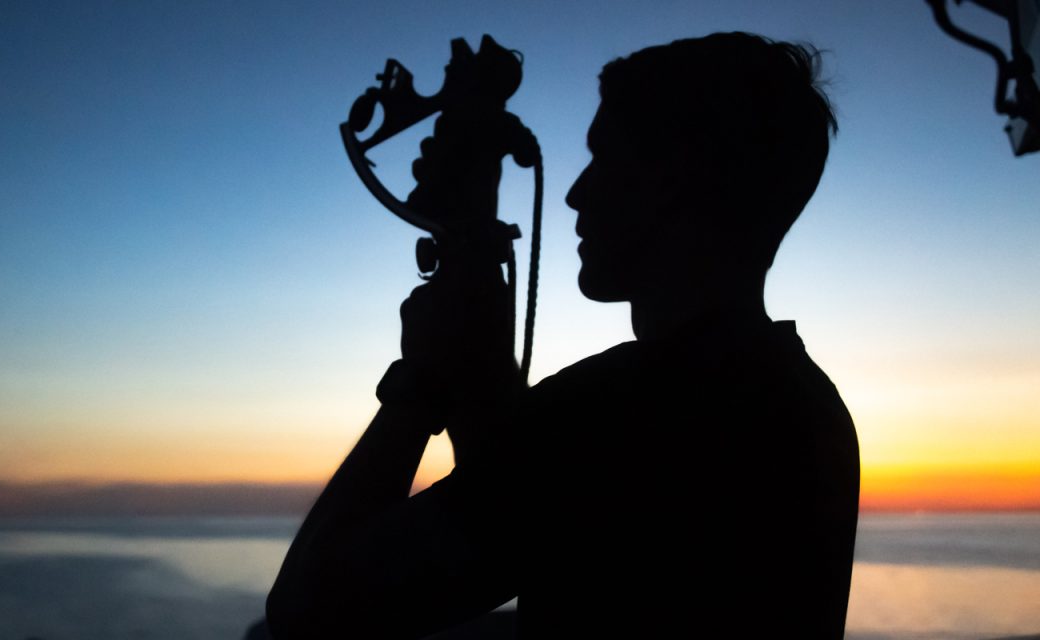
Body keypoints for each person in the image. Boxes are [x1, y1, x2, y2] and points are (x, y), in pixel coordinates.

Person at [266, 31, 859, 639]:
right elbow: (525, 508)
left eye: (607, 158)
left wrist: (417, 389)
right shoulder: (803, 403)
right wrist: (473, 273)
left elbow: (308, 611)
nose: (577, 192)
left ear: (676, 180)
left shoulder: (625, 411)